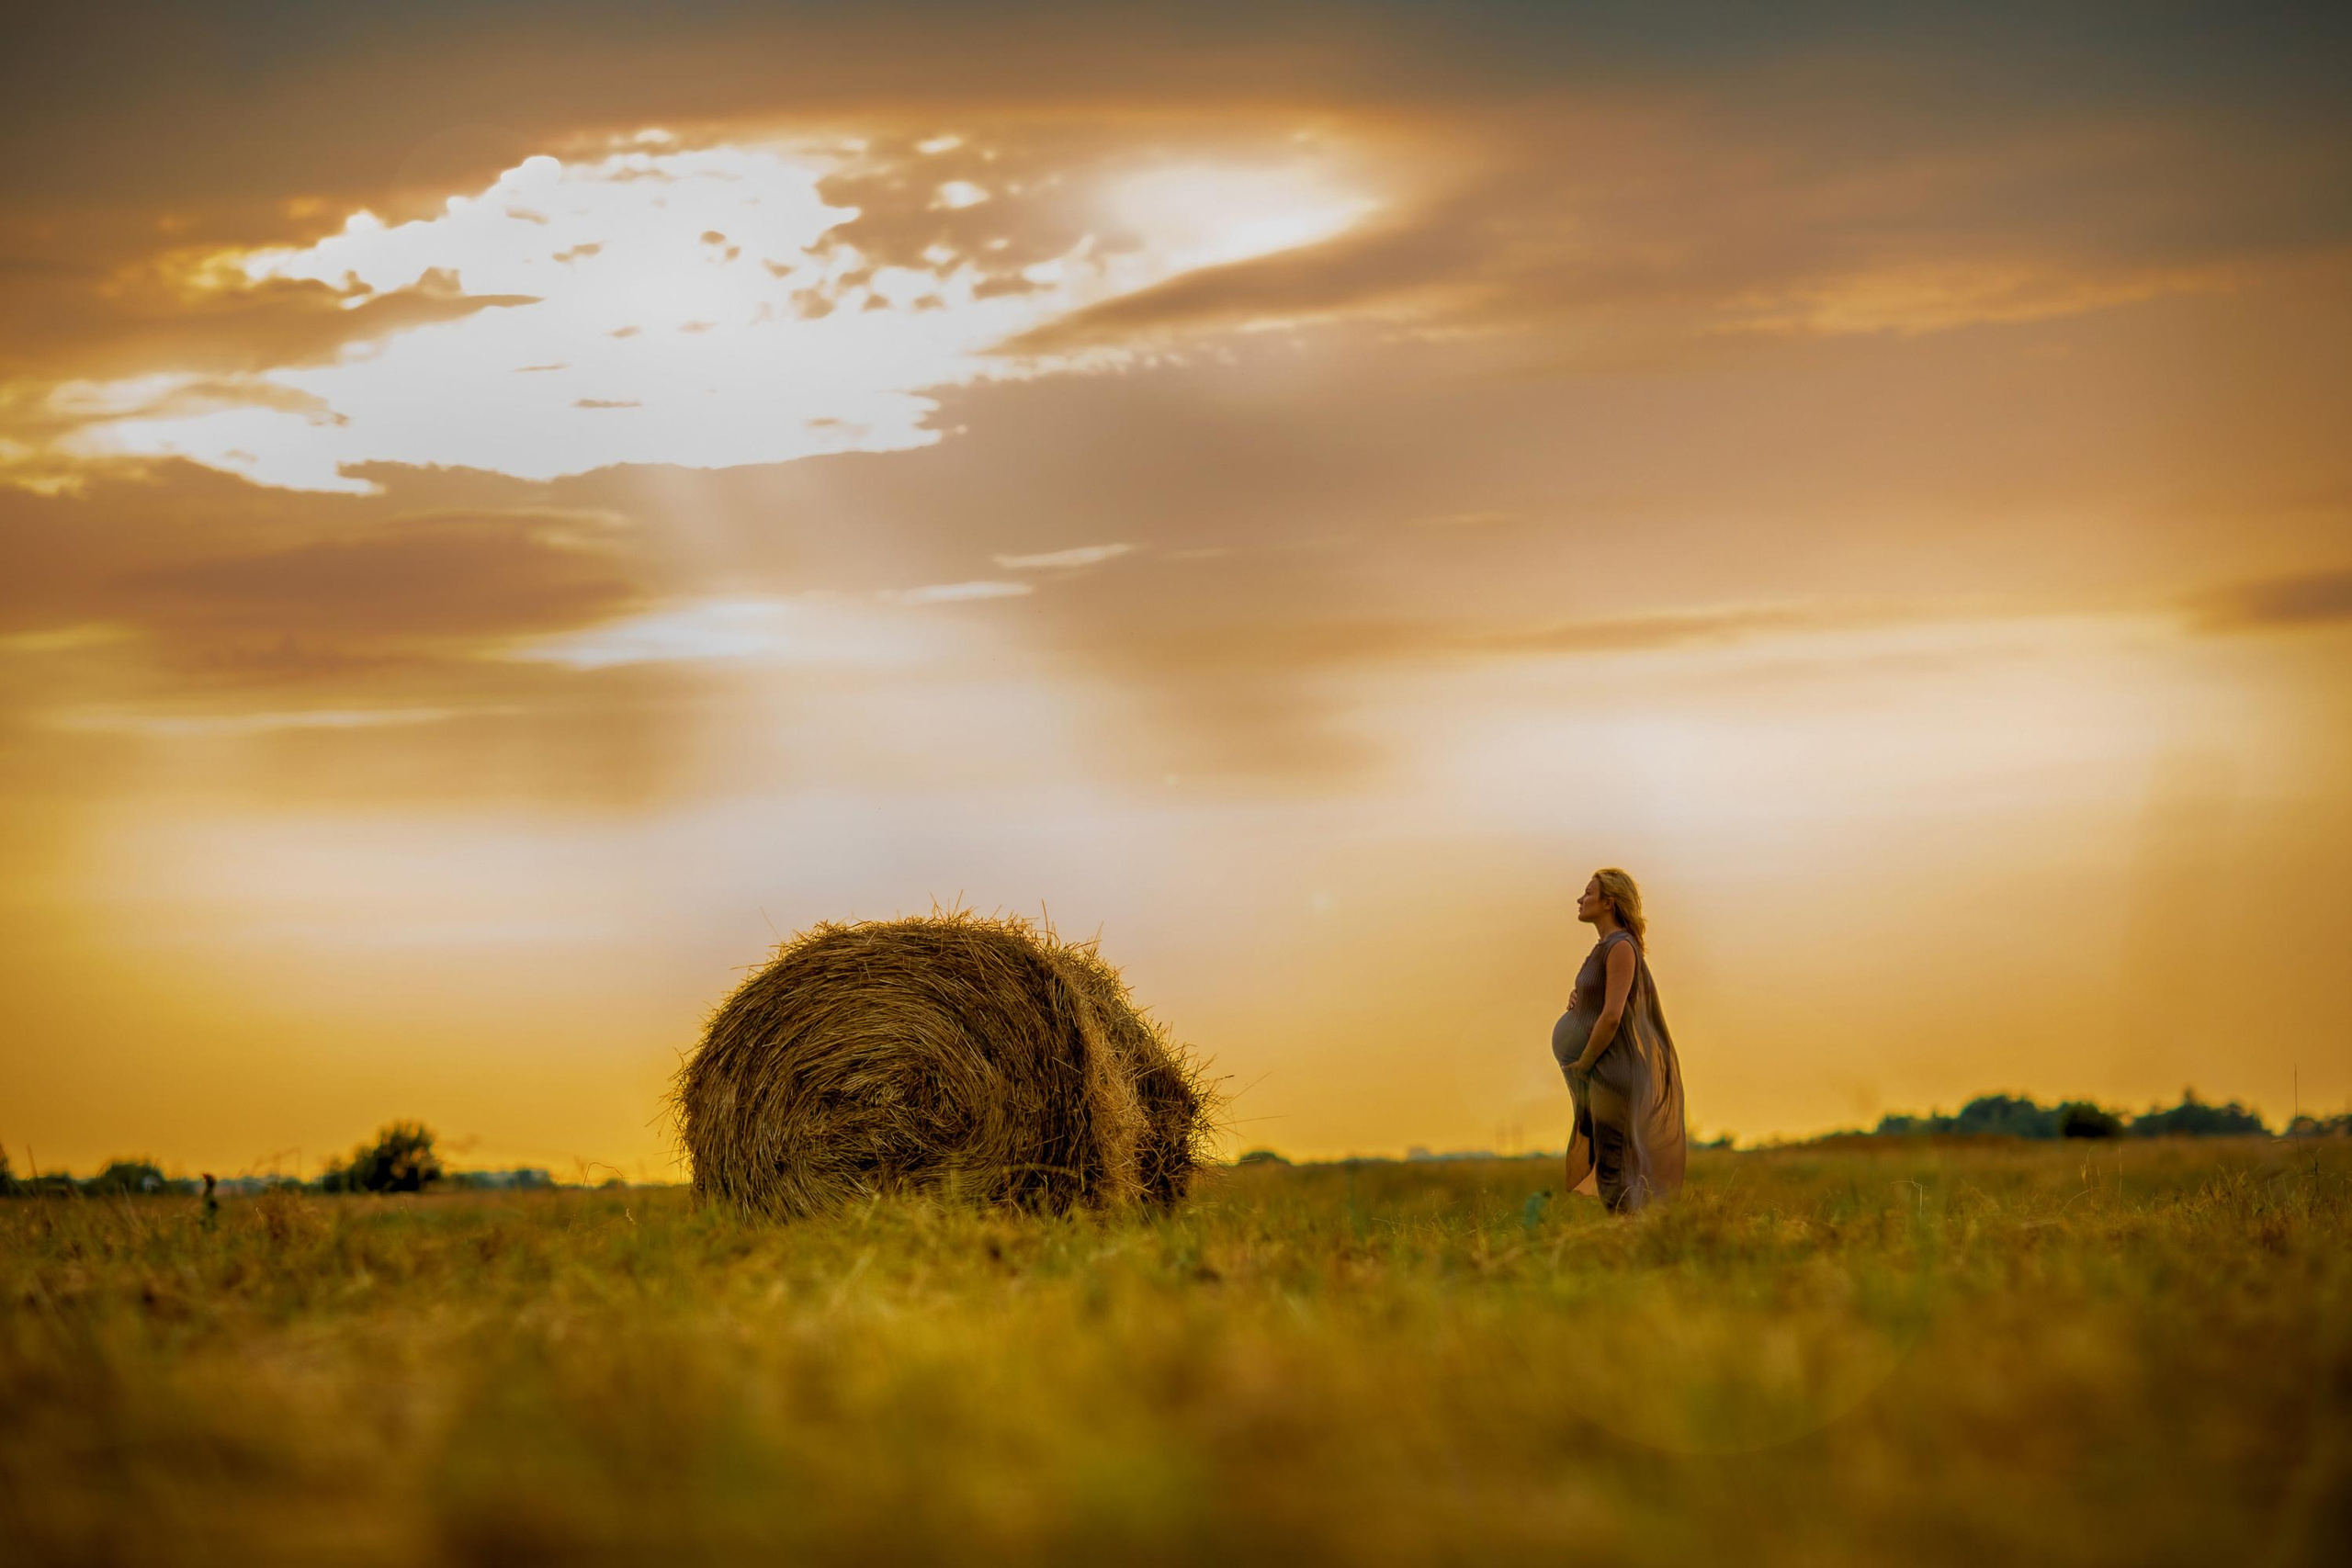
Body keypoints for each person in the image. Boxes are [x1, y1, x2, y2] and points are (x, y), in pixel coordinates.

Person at [1551, 868, 1686, 1212]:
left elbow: (1612, 1017)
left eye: (1588, 893)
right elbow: (1604, 1004)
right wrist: (1580, 1000)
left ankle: (1629, 1244)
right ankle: (1626, 1240)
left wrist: (1584, 1062)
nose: (1580, 900)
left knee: (1614, 1169)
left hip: (1612, 1071)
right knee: (1610, 1165)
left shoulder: (1621, 946)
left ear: (1609, 902)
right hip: (1601, 1073)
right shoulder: (1606, 947)